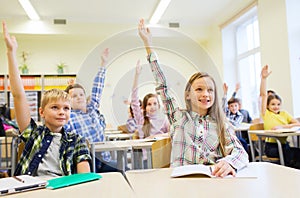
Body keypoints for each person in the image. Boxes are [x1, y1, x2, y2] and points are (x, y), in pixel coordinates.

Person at [138, 19, 248, 177]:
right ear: (188, 94)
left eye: (210, 90)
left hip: (212, 181)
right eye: (199, 89)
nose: (205, 94)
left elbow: (240, 152)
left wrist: (229, 162)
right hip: (182, 182)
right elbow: (162, 85)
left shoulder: (221, 122)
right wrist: (148, 45)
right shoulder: (178, 116)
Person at [2, 21, 91, 177]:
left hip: (61, 189)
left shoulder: (76, 140)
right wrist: (11, 53)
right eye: (55, 107)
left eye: (66, 108)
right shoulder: (33, 133)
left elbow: (84, 173)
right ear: (42, 112)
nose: (61, 112)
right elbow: (18, 95)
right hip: (31, 188)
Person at [65, 48, 121, 173]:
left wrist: (103, 64)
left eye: (81, 94)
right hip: (85, 162)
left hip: (103, 160)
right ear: (68, 102)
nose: (79, 97)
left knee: (123, 170)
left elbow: (98, 87)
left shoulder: (92, 109)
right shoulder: (69, 116)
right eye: (74, 96)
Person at [260, 65, 300, 168]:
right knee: (289, 155)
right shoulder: (266, 114)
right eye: (273, 104)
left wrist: (283, 127)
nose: (276, 107)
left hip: (284, 144)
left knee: (296, 153)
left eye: (278, 104)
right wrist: (264, 79)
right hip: (271, 147)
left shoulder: (284, 114)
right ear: (268, 106)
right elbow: (263, 95)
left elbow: (297, 123)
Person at [130, 60, 170, 139]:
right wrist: (137, 75)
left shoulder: (164, 119)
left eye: (155, 103)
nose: (152, 107)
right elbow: (134, 100)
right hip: (147, 151)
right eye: (149, 104)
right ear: (144, 108)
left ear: (159, 105)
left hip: (162, 150)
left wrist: (155, 137)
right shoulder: (141, 119)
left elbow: (171, 134)